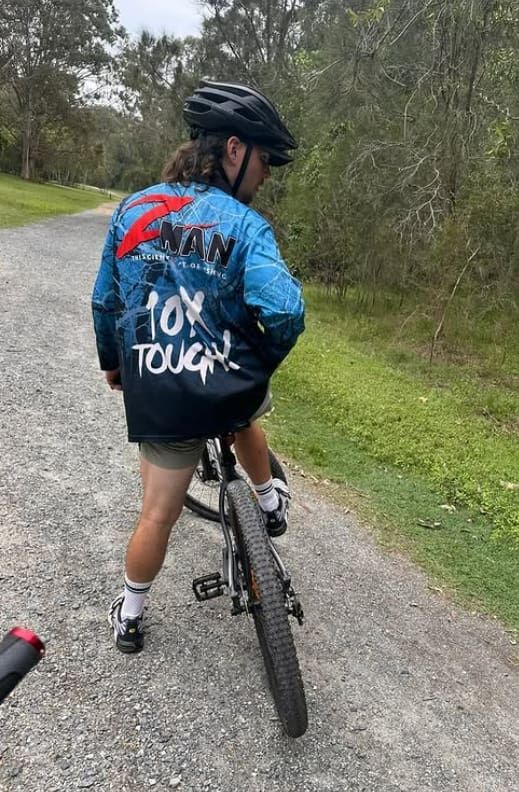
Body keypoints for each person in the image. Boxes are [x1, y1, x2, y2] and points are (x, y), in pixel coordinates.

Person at [91, 80, 305, 653]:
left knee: (157, 514)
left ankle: (130, 615)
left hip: (160, 385)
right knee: (245, 412)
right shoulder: (245, 225)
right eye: (263, 159)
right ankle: (269, 501)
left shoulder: (134, 209)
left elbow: (106, 301)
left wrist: (116, 363)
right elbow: (285, 310)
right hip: (224, 380)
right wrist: (258, 362)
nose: (265, 173)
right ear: (234, 149)